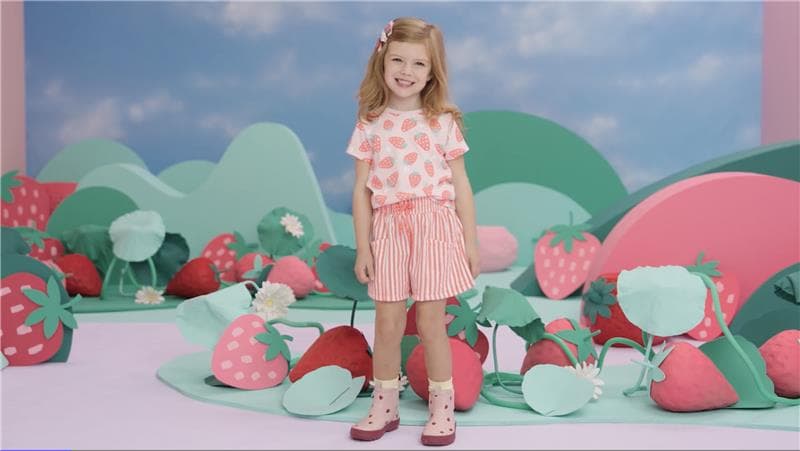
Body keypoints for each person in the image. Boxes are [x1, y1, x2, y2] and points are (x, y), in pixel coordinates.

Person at [345, 17, 480, 446]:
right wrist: (362, 248)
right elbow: (361, 192)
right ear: (381, 62)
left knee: (430, 321)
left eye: (418, 64)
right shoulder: (370, 123)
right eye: (398, 60)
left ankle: (442, 407)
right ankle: (384, 404)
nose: (406, 71)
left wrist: (470, 241)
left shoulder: (441, 121)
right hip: (387, 225)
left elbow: (462, 186)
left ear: (431, 72)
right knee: (387, 320)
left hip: (434, 223)